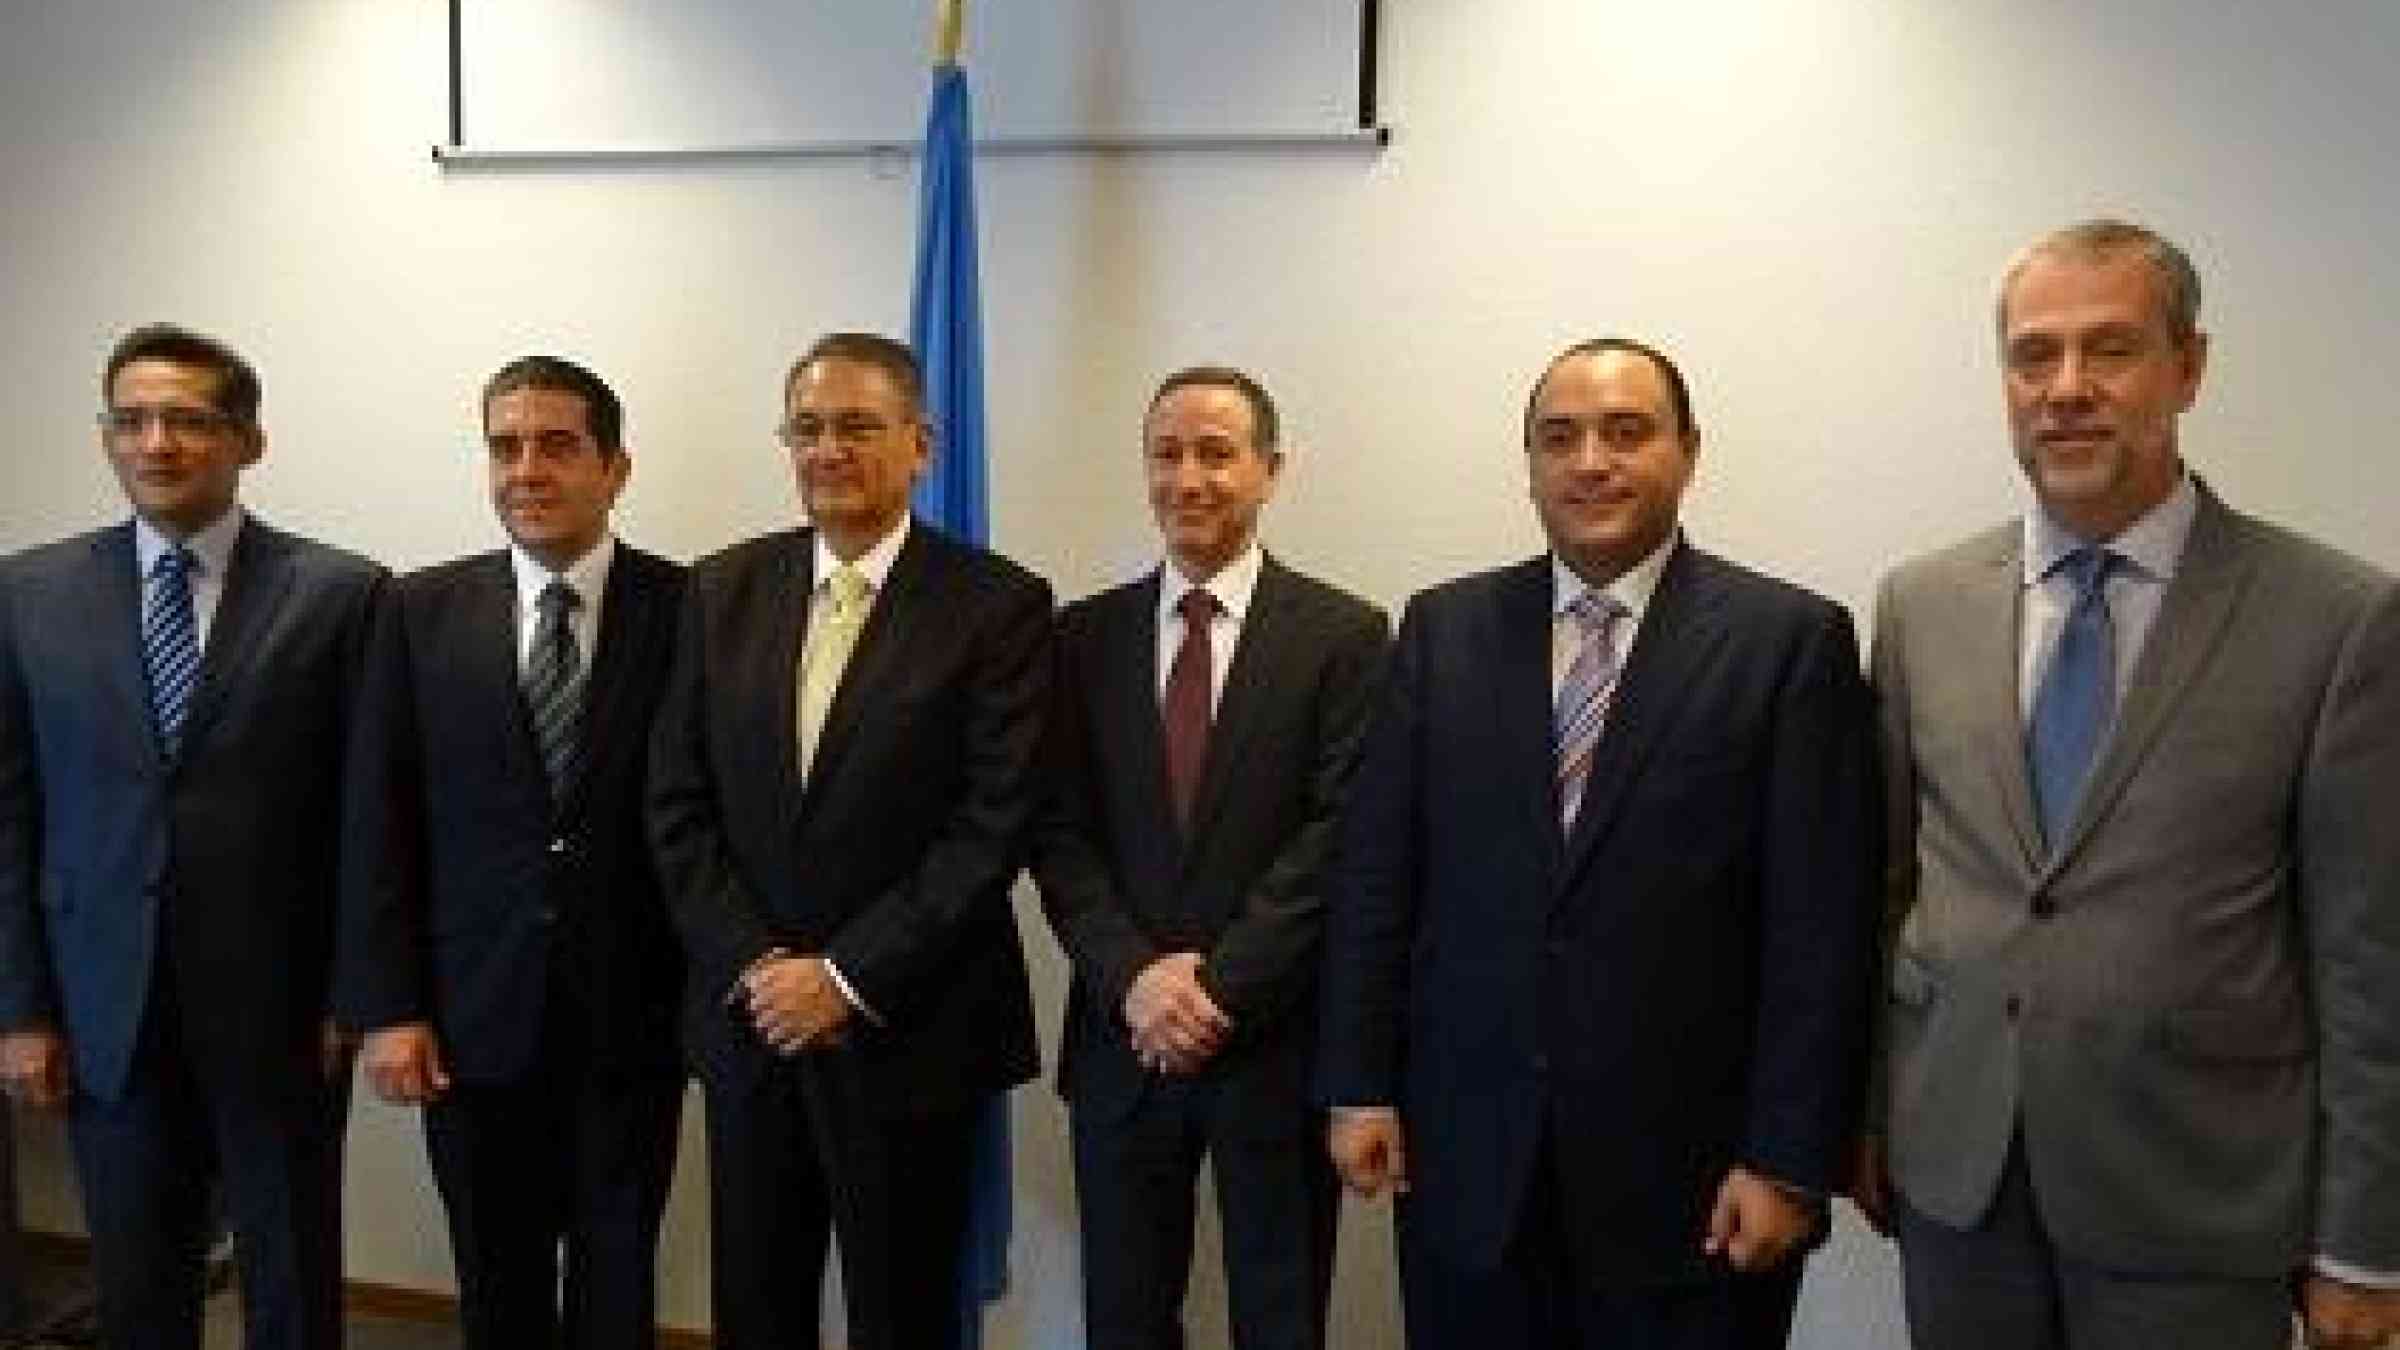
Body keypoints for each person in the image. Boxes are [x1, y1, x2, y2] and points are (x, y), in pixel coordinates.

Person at [1858, 218, 2400, 1350]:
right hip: (1961, 1186)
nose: (2067, 388)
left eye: (2109, 349)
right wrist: (1862, 1117)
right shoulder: (1920, 604)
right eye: (2033, 356)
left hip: (2202, 1198)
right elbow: (1883, 888)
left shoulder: (2338, 620)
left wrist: (2365, 1243)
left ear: (2187, 368)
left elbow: (2369, 959)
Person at [1317, 338, 1878, 1349]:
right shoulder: (1442, 631)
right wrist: (1358, 1083)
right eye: (1560, 437)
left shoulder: (1790, 641)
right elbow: (1378, 879)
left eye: (1626, 432)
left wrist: (1789, 1160)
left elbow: (1821, 929)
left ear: (1688, 451)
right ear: (1529, 463)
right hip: (1468, 1165)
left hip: (1697, 1187)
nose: (1591, 462)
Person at [647, 332, 1051, 1349]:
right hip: (752, 1026)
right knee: (755, 1308)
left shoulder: (999, 605)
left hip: (910, 1029)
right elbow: (676, 804)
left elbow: (991, 826)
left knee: (903, 1316)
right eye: (808, 428)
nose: (829, 449)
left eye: (859, 427)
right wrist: (758, 966)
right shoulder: (719, 589)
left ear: (923, 444)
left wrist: (844, 976)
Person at [0, 323, 385, 1350]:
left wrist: (355, 991)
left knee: (292, 1277)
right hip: (103, 1006)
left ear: (248, 440)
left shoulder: (342, 594)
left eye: (187, 420)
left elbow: (368, 816)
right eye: (130, 420)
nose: (155, 443)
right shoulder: (28, 596)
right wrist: (21, 1011)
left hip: (282, 1009)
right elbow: (12, 816)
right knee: (137, 1283)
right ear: (106, 437)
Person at [1033, 367, 1387, 1349]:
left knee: (1280, 1318)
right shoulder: (1080, 636)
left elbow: (1340, 835)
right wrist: (1135, 980)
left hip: (1273, 1045)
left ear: (1271, 469)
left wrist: (1218, 989)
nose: (1188, 478)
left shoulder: (1346, 635)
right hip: (1124, 1041)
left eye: (1217, 454)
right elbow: (1055, 832)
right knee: (1124, 1317)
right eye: (1166, 454)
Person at [337, 356, 686, 1348]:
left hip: (635, 1016)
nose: (526, 469)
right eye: (505, 447)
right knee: (497, 1284)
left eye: (557, 445)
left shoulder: (692, 606)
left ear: (616, 468)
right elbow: (378, 819)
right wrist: (387, 1007)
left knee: (620, 1281)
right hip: (468, 1020)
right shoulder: (414, 610)